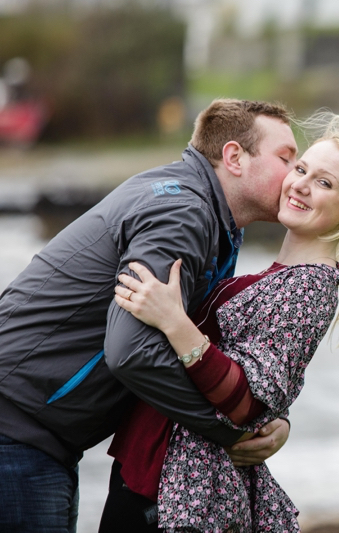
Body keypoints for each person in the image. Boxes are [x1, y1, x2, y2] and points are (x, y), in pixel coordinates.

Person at [0, 99, 299, 532]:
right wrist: (230, 433)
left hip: (38, 437)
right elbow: (132, 352)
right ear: (234, 157)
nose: (296, 175)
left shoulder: (210, 218)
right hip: (17, 433)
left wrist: (268, 418)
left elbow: (208, 349)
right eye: (285, 158)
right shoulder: (184, 213)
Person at [102, 112, 339, 531]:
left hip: (181, 489)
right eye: (301, 168)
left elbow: (247, 402)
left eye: (325, 183)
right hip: (155, 469)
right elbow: (269, 386)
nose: (301, 184)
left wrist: (174, 320)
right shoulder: (276, 276)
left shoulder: (307, 288)